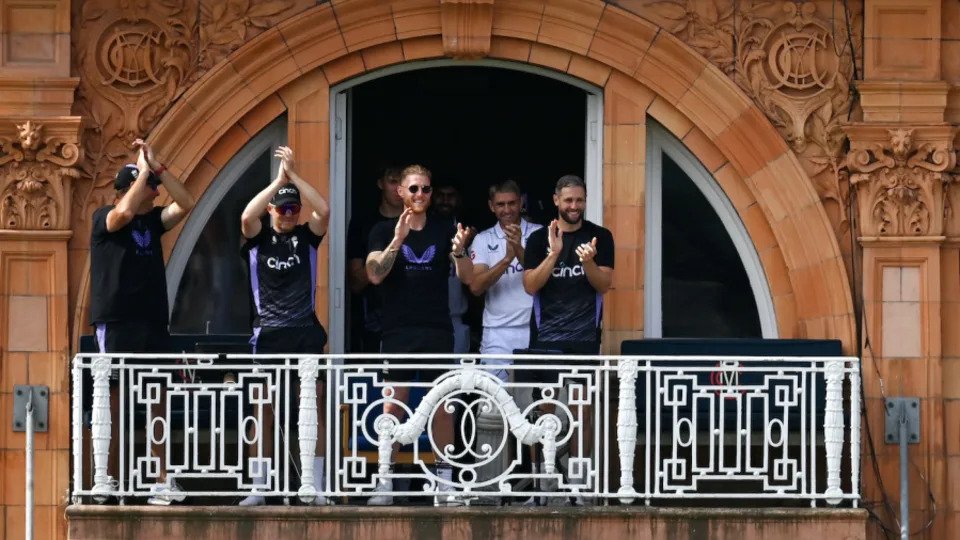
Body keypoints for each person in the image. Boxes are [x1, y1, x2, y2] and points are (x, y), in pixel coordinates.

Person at [89, 138, 196, 505]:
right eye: (148, 185)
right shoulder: (103, 217)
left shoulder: (152, 221)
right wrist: (142, 173)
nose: (153, 191)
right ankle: (107, 477)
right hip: (117, 320)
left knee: (158, 397)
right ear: (129, 188)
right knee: (113, 396)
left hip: (152, 321)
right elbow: (121, 215)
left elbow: (186, 203)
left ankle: (161, 479)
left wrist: (159, 168)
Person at [364, 164, 473, 506]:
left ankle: (444, 479)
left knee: (443, 405)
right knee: (393, 404)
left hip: (437, 329)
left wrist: (458, 252)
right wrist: (398, 240)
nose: (420, 195)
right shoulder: (383, 229)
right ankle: (384, 480)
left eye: (425, 189)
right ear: (400, 192)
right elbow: (374, 275)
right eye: (413, 189)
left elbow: (468, 278)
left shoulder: (444, 229)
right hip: (397, 330)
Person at [238, 146, 331, 506]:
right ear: (273, 210)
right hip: (269, 332)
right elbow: (247, 216)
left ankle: (314, 482)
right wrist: (278, 181)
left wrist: (295, 178)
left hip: (305, 331)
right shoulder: (258, 238)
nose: (291, 214)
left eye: (294, 208)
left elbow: (323, 210)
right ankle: (259, 486)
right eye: (284, 208)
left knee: (312, 403)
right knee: (262, 404)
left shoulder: (307, 235)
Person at [522, 174, 614, 505]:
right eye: (568, 200)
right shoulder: (537, 239)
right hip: (545, 339)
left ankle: (578, 481)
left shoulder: (599, 237)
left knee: (582, 412)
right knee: (544, 412)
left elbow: (604, 285)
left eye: (579, 200)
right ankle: (545, 482)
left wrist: (587, 262)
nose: (574, 206)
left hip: (584, 339)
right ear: (557, 201)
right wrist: (555, 253)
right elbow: (530, 285)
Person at [465, 180, 541, 380]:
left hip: (534, 329)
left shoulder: (539, 233)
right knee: (495, 403)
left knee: (534, 402)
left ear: (521, 203)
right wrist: (507, 259)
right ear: (492, 206)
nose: (507, 210)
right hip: (497, 332)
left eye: (512, 203)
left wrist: (519, 250)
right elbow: (476, 286)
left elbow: (543, 277)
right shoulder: (482, 239)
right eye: (500, 204)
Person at [346, 167, 403, 352]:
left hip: (416, 320)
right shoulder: (365, 224)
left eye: (403, 184)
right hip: (374, 319)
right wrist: (384, 258)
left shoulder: (422, 223)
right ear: (380, 183)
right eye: (393, 181)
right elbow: (355, 283)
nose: (398, 189)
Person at [432, 182, 476, 354]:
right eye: (440, 195)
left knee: (456, 378)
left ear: (459, 199)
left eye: (450, 196)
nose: (445, 200)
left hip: (457, 317)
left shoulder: (469, 229)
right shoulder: (425, 226)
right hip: (428, 318)